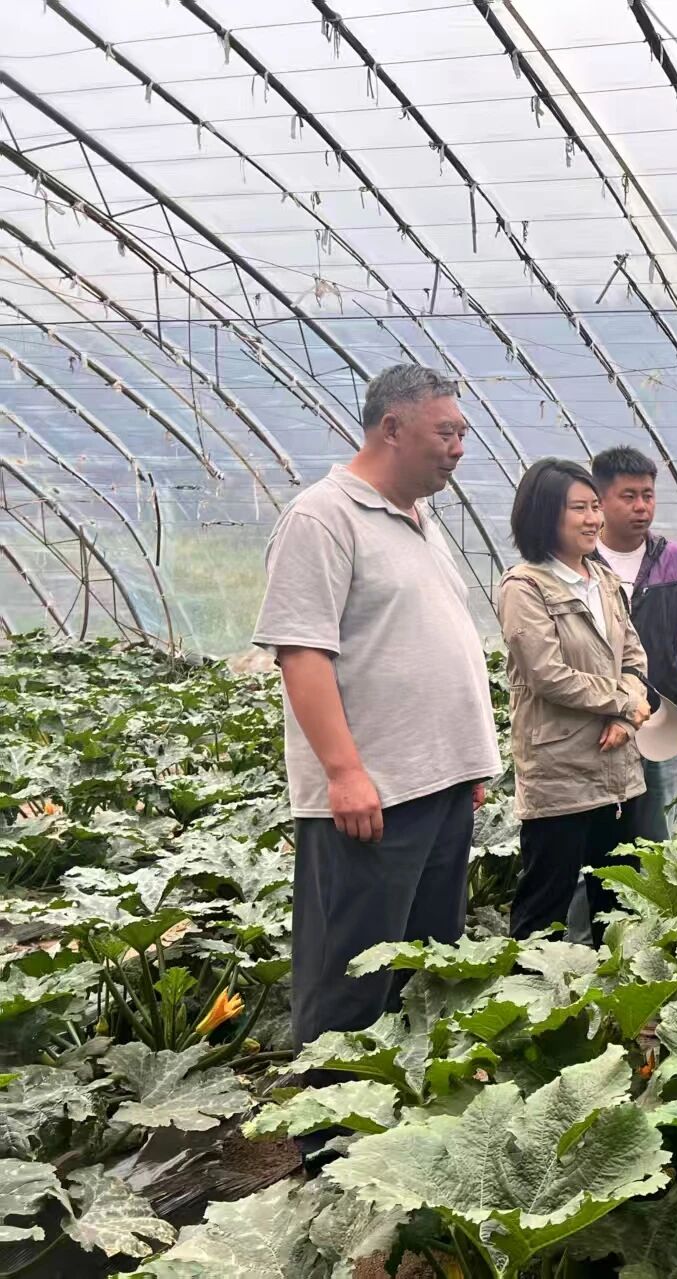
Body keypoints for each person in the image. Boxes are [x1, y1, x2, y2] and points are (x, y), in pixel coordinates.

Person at [253, 364, 499, 1121]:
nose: (459, 448)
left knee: (425, 972)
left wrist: (466, 763)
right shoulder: (323, 516)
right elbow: (302, 652)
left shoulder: (419, 520)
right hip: (374, 796)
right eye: (446, 432)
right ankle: (332, 1142)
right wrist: (344, 771)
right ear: (391, 427)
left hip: (440, 787)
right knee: (353, 977)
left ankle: (404, 1135)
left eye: (462, 432)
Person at [499, 458, 652, 945]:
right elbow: (548, 676)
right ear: (545, 514)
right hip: (560, 774)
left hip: (616, 768)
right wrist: (623, 704)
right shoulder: (524, 586)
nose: (593, 519)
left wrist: (626, 716)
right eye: (579, 508)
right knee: (544, 907)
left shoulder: (602, 580)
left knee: (619, 902)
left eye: (594, 507)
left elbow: (634, 657)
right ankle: (536, 991)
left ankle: (615, 990)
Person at [590, 446, 677, 842]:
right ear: (600, 500)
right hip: (598, 718)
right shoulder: (582, 560)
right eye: (629, 496)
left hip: (661, 714)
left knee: (658, 832)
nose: (641, 506)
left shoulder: (675, 560)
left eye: (647, 495)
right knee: (600, 836)